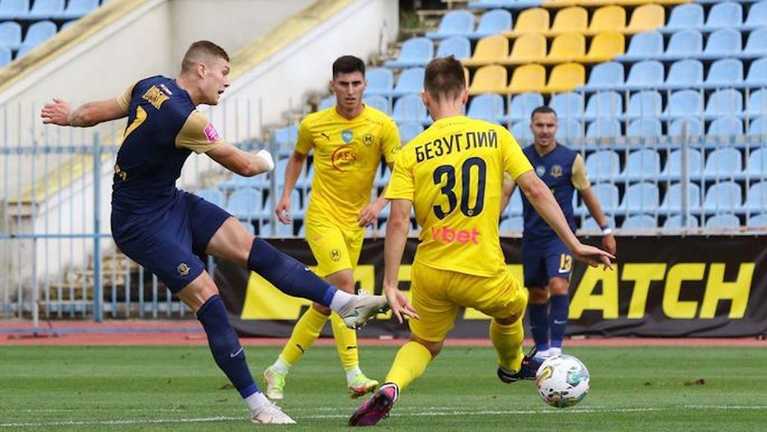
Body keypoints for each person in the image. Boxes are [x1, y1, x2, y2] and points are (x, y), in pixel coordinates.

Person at [40, 41, 388, 425]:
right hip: (140, 224)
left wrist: (70, 115)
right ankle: (258, 404)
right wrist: (267, 159)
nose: (226, 81)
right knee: (209, 296)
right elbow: (244, 166)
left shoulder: (149, 85)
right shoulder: (185, 117)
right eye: (223, 72)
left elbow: (96, 111)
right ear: (202, 70)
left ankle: (341, 302)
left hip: (168, 202)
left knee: (248, 245)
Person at [347, 56, 614, 427]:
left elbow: (398, 220)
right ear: (466, 93)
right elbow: (536, 189)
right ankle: (509, 366)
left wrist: (390, 284)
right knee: (511, 309)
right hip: (481, 265)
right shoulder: (496, 135)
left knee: (424, 343)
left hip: (431, 270)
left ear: (425, 98)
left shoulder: (411, 152)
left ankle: (392, 386)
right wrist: (573, 243)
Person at [263, 55, 401, 401]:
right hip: (322, 217)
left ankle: (278, 369)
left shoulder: (382, 125)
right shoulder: (314, 124)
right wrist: (285, 195)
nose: (350, 91)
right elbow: (297, 157)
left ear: (365, 84)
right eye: (344, 84)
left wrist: (378, 204)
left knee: (327, 304)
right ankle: (354, 373)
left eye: (356, 84)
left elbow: (400, 174)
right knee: (344, 285)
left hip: (356, 223)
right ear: (333, 85)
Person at [503, 106, 617, 362]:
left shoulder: (570, 159)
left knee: (558, 284)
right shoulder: (520, 158)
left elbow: (588, 196)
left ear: (556, 127)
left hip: (561, 238)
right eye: (540, 125)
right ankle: (542, 349)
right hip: (532, 237)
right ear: (531, 126)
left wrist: (606, 229)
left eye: (549, 125)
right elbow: (504, 194)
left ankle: (556, 346)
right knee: (536, 292)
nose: (545, 130)